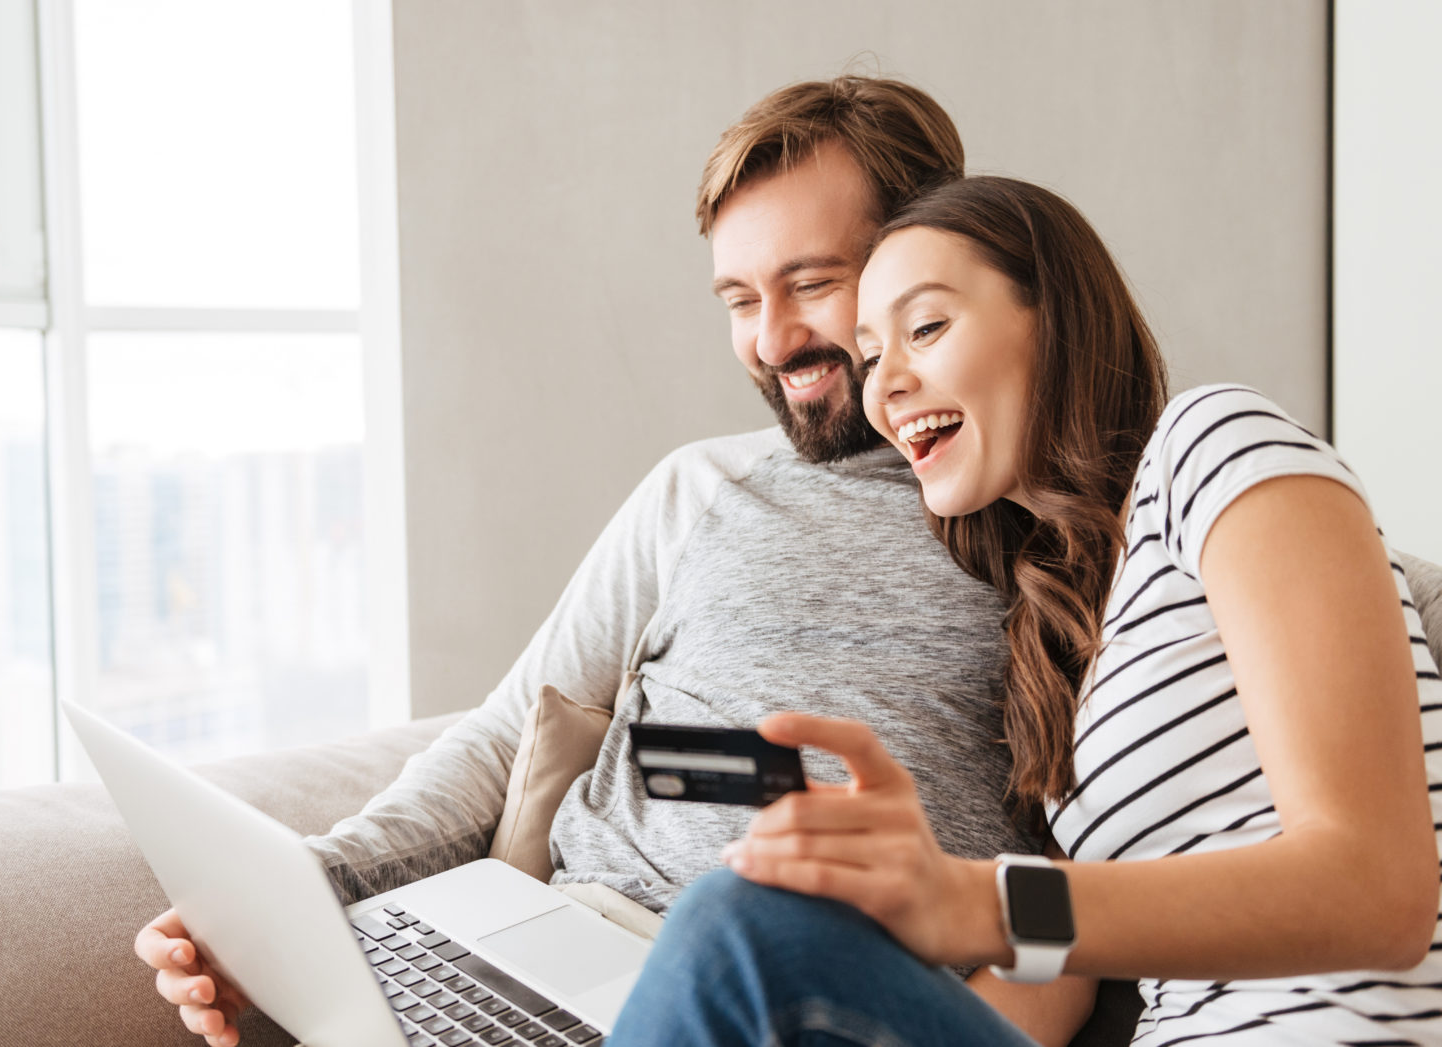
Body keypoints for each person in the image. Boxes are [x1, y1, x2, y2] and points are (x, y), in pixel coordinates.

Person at [135, 81, 1101, 1047]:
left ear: (921, 253)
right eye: (738, 299)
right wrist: (299, 900)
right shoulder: (700, 490)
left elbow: (1084, 913)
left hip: (810, 1001)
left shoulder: (1066, 536)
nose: (770, 340)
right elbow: (509, 735)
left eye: (812, 284)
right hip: (567, 943)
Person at [608, 176, 1442, 1046]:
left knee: (737, 930)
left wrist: (976, 899)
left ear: (1057, 318)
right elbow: (1065, 968)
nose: (884, 385)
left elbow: (1378, 888)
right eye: (870, 353)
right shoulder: (1059, 633)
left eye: (925, 328)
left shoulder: (1213, 445)